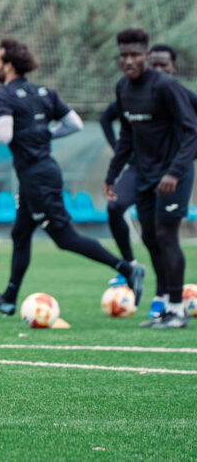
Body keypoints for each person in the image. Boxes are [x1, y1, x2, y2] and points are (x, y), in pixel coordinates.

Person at [0, 38, 144, 317]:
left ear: (8, 65)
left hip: (37, 177)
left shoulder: (3, 95)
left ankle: (127, 268)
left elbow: (3, 135)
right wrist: (46, 135)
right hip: (38, 174)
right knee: (21, 233)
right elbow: (74, 123)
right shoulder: (43, 92)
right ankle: (8, 299)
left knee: (65, 237)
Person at [104, 29, 197, 329]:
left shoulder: (166, 87)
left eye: (135, 55)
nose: (129, 61)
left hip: (173, 175)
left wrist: (174, 171)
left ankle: (177, 310)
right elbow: (127, 135)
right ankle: (165, 304)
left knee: (167, 235)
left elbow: (192, 131)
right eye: (124, 55)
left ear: (145, 55)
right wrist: (112, 174)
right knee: (150, 238)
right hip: (145, 173)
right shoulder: (123, 88)